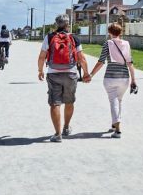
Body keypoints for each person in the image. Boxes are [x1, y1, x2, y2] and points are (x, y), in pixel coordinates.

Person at [37, 14, 91, 142]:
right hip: (71, 74)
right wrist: (86, 73)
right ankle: (66, 128)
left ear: (56, 24)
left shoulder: (49, 37)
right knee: (69, 102)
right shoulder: (74, 38)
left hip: (53, 74)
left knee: (55, 103)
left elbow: (41, 56)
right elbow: (81, 58)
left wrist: (40, 70)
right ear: (68, 24)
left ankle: (57, 134)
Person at [88, 23, 137, 139]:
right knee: (118, 101)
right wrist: (133, 80)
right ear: (120, 32)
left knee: (114, 101)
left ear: (109, 32)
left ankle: (118, 130)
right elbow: (130, 64)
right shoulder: (126, 44)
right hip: (124, 78)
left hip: (110, 77)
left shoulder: (108, 43)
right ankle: (114, 125)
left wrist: (91, 74)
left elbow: (101, 61)